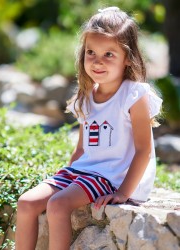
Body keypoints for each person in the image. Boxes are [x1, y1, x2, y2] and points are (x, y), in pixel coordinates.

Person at [15, 6, 162, 250]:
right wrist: (65, 176)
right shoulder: (86, 96)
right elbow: (82, 148)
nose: (97, 61)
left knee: (58, 205)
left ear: (128, 58)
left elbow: (144, 150)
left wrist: (124, 193)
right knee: (26, 203)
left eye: (109, 54)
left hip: (111, 176)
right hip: (84, 171)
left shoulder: (133, 95)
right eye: (91, 52)